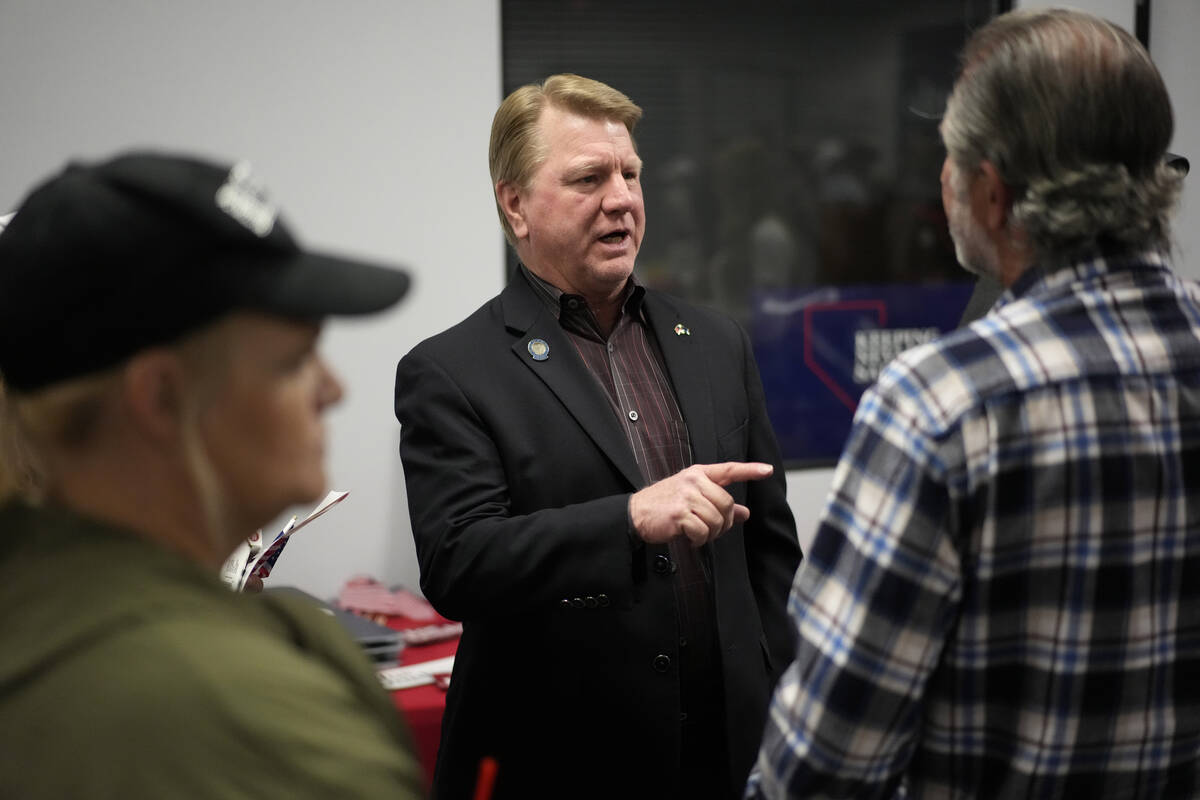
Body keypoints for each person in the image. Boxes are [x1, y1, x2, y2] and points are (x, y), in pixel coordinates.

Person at [749, 8, 1198, 799]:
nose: (940, 178)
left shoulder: (941, 405)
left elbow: (826, 761)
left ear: (992, 193)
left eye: (949, 157)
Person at [395, 74, 802, 798]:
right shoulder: (452, 371)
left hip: (730, 755)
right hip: (563, 762)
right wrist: (630, 520)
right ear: (515, 205)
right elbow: (459, 562)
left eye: (630, 174)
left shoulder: (714, 341)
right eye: (589, 178)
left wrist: (781, 693)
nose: (621, 198)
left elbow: (771, 551)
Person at [0, 152, 425, 798]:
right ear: (162, 399)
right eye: (292, 362)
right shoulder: (244, 713)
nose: (333, 389)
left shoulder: (36, 614)